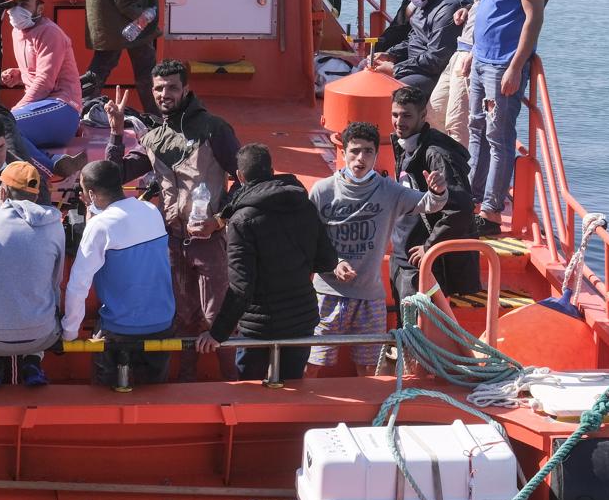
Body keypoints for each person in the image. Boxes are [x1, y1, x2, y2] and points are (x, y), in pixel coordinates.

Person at [104, 60, 241, 381]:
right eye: (159, 88)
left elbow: (246, 180)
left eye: (172, 87)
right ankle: (185, 380)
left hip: (210, 243)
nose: (165, 94)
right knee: (180, 318)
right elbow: (115, 175)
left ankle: (234, 383)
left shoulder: (214, 129)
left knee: (217, 317)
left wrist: (219, 221)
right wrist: (115, 131)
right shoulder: (153, 139)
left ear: (186, 89)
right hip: (172, 244)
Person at [195, 144, 355, 381]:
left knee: (249, 393)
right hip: (300, 321)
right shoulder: (304, 205)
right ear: (271, 170)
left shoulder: (241, 221)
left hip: (259, 328)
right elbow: (326, 260)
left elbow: (241, 288)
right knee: (291, 389)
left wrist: (217, 334)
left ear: (239, 177)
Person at [308, 122, 447, 375]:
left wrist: (438, 190)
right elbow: (309, 239)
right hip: (326, 295)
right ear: (343, 152)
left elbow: (431, 204)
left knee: (369, 367)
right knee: (312, 363)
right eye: (355, 151)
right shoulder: (322, 190)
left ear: (376, 155)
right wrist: (333, 264)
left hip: (369, 297)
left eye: (368, 152)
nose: (360, 158)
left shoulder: (390, 190)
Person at [465, 0, 547, 237]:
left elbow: (533, 17)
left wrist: (516, 66)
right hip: (481, 58)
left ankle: (491, 212)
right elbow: (487, 4)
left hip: (503, 64)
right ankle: (470, 198)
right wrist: (471, 47)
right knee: (475, 128)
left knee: (498, 137)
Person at [62, 160, 176, 387]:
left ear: (91, 195)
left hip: (119, 330)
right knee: (154, 394)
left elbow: (78, 285)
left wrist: (69, 333)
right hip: (163, 324)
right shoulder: (151, 211)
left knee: (104, 392)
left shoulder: (99, 227)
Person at [0, 161, 65, 387]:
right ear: (37, 196)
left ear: (2, 191)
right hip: (43, 336)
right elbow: (56, 280)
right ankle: (33, 360)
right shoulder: (55, 224)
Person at [388, 87, 480, 303]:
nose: (399, 122)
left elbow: (461, 208)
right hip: (402, 253)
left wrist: (429, 247)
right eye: (395, 114)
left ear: (422, 115)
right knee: (404, 327)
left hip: (420, 260)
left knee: (416, 329)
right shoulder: (407, 144)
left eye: (407, 116)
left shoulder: (436, 154)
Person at [0, 0, 85, 176]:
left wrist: (15, 110)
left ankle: (50, 170)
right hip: (42, 109)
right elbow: (38, 71)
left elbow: (45, 82)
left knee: (3, 124)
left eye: (24, 4)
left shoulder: (50, 32)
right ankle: (55, 163)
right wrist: (18, 75)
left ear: (40, 8)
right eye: (12, 5)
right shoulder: (16, 33)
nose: (15, 10)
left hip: (63, 108)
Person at [369, 0, 473, 93]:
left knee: (389, 90)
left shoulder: (448, 9)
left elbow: (436, 60)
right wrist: (391, 55)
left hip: (434, 73)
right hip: (419, 64)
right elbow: (414, 38)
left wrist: (396, 69)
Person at [428, 0, 490, 144]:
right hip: (460, 49)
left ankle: (459, 174)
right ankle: (440, 167)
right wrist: (469, 8)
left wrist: (476, 52)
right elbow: (484, 4)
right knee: (433, 113)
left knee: (457, 125)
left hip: (470, 55)